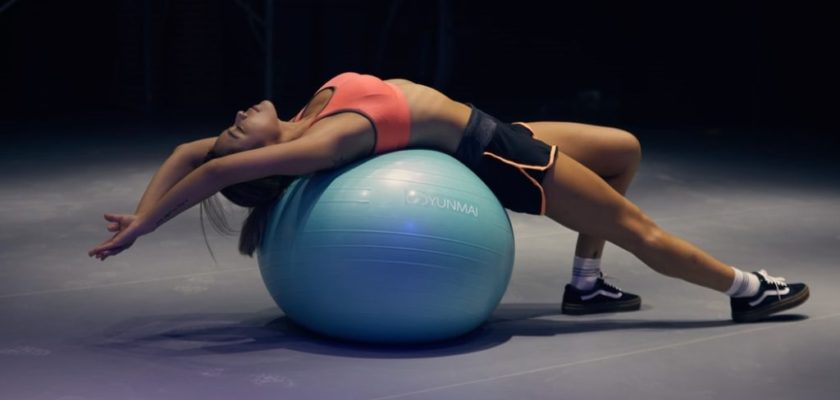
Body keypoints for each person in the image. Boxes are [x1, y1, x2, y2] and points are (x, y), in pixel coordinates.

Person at [88, 71, 809, 322]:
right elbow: (209, 172)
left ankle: (586, 287)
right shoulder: (311, 144)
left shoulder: (303, 118)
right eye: (235, 132)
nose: (234, 119)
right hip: (498, 155)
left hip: (491, 127)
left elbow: (190, 154)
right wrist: (146, 228)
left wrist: (144, 204)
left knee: (624, 149)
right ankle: (745, 288)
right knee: (636, 227)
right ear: (263, 159)